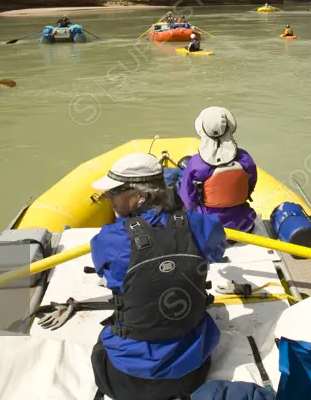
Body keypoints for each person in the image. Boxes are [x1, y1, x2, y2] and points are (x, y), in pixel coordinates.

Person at [89, 152, 226, 400]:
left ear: (139, 196)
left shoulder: (109, 239)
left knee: (105, 339)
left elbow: (105, 270)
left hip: (125, 380)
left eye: (113, 193)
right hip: (191, 372)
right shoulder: (201, 225)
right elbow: (217, 251)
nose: (109, 199)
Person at [179, 107, 258, 232]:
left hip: (209, 228)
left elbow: (188, 201)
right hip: (243, 225)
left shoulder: (195, 164)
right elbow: (251, 186)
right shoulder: (245, 159)